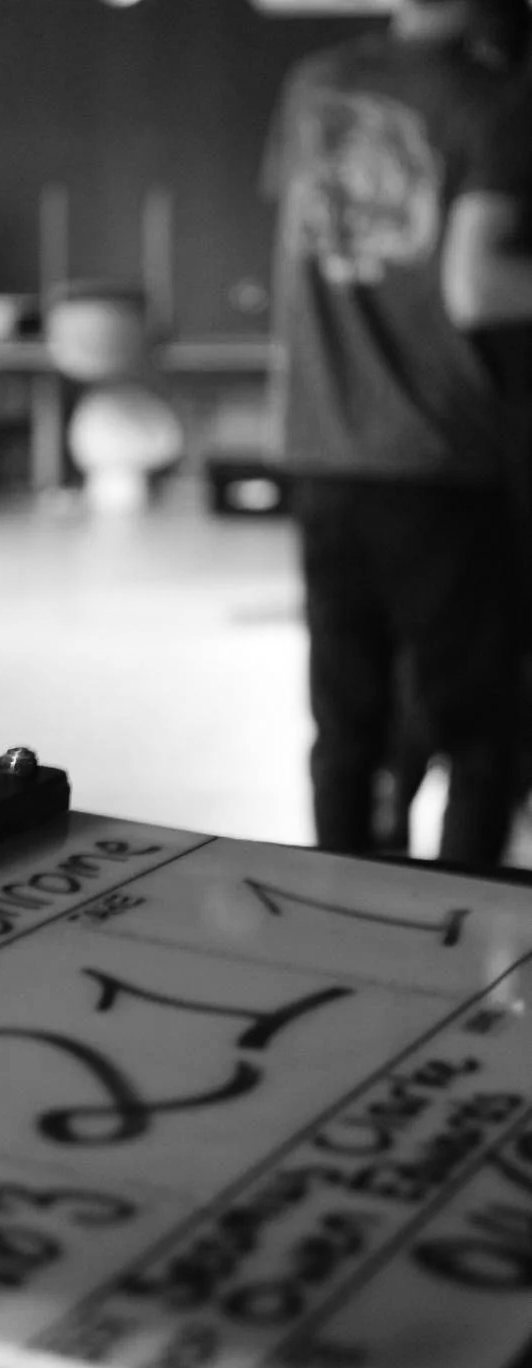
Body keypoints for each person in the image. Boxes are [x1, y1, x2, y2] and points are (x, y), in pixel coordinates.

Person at [265, 0, 525, 868]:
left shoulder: (316, 84)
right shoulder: (495, 98)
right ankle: (463, 960)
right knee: (482, 737)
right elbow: (478, 285)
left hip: (321, 448)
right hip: (437, 455)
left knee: (350, 729)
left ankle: (349, 928)